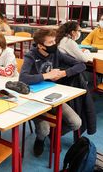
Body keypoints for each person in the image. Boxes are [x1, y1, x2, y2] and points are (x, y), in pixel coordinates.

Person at [19, 29, 84, 157]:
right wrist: (46, 75)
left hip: (53, 97)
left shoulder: (56, 53)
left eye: (55, 41)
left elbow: (81, 65)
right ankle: (40, 139)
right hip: (34, 100)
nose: (54, 44)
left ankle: (53, 135)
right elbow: (23, 78)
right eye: (50, 42)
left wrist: (64, 73)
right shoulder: (30, 56)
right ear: (40, 46)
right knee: (43, 129)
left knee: (76, 122)